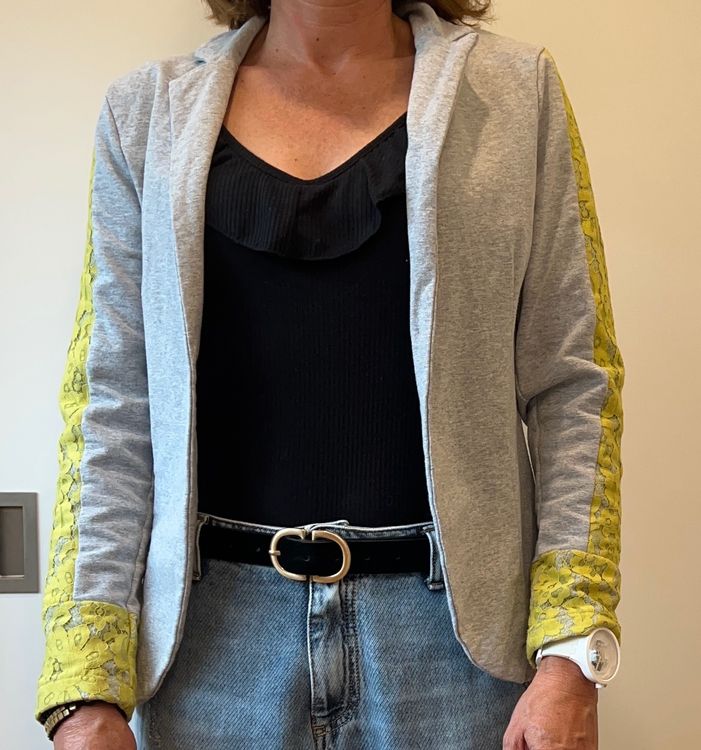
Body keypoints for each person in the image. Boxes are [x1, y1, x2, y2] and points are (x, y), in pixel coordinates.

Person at [35, 0, 625, 748]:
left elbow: (574, 382)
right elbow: (112, 405)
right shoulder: (145, 113)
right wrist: (84, 684)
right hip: (211, 656)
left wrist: (572, 650)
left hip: (454, 655)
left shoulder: (517, 93)